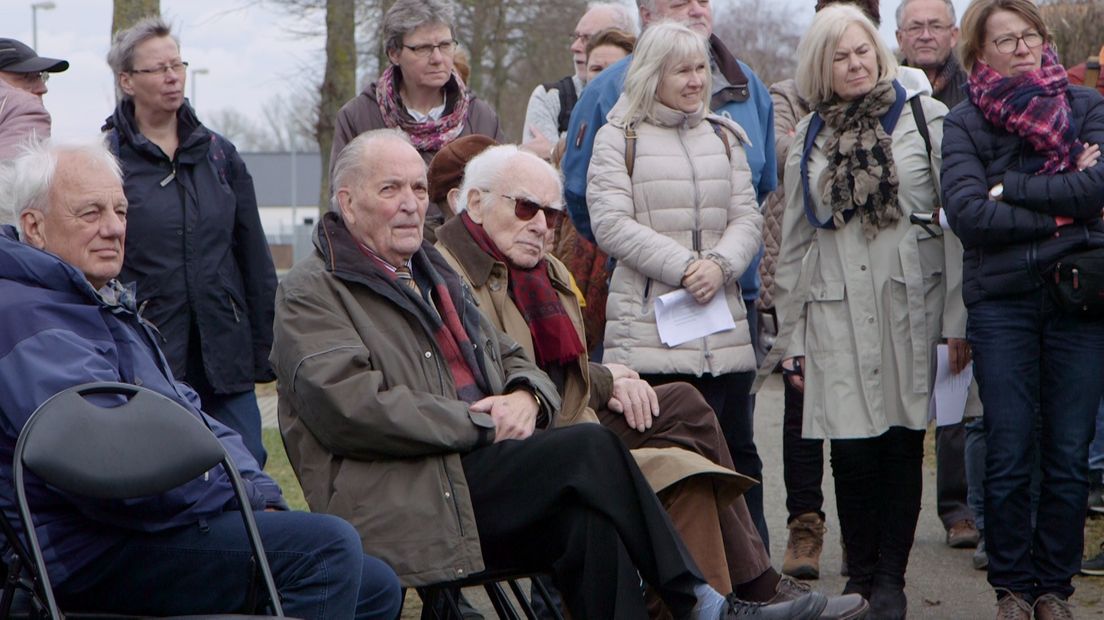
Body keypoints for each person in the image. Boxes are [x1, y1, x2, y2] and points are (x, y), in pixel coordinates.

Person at [270, 128, 832, 620]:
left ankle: (710, 602)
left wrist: (523, 396)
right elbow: (350, 407)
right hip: (408, 493)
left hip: (475, 470)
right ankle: (697, 601)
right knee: (586, 448)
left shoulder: (431, 269)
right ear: (347, 201)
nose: (411, 204)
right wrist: (479, 422)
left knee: (590, 523)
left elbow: (514, 358)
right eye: (390, 189)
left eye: (418, 189)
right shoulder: (311, 291)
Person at [435, 143, 870, 620]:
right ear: (474, 203)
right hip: (533, 441)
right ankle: (735, 601)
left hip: (567, 414)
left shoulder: (546, 268)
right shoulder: (448, 276)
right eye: (526, 208)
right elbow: (504, 376)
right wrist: (602, 382)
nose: (541, 224)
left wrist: (608, 379)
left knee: (682, 404)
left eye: (553, 215)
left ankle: (752, 588)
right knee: (682, 470)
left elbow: (557, 365)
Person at [0, 140, 401, 620]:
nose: (113, 228)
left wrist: (259, 491)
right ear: (35, 227)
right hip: (86, 552)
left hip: (149, 527)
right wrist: (241, 497)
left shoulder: (101, 301)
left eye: (120, 210)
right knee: (324, 551)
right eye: (90, 213)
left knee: (375, 585)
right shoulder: (24, 316)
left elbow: (191, 417)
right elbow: (110, 470)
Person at [770, 5, 965, 617]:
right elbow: (796, 242)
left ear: (879, 52)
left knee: (902, 445)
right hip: (834, 310)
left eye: (862, 51)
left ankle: (891, 583)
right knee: (850, 450)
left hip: (912, 303)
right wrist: (789, 335)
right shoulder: (807, 137)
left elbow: (956, 228)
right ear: (820, 67)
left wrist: (958, 322)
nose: (854, 64)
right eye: (840, 56)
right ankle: (858, 580)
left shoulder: (925, 117)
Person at [563, 0, 776, 547]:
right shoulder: (619, 136)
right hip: (650, 333)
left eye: (701, 69)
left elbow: (749, 214)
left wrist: (722, 265)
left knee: (734, 454)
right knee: (668, 467)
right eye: (682, 70)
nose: (696, 80)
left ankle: (750, 580)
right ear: (653, 74)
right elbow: (608, 222)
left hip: (722, 328)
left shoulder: (726, 136)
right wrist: (686, 268)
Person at [941, 0, 1104, 616]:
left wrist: (1013, 189)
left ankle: (1054, 590)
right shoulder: (964, 123)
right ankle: (1011, 586)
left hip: (1080, 301)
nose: (1020, 48)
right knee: (1008, 448)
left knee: (1067, 453)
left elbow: (1100, 187)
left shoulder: (1087, 106)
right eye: (1004, 40)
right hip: (1003, 304)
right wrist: (1068, 211)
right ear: (979, 54)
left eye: (1028, 36)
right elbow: (970, 215)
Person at [101, 17, 275, 467]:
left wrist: (264, 350)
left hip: (225, 353)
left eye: (177, 64)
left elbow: (253, 256)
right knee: (168, 472)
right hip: (150, 355)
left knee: (247, 466)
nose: (172, 76)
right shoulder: (107, 161)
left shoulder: (219, 154)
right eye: (158, 68)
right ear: (127, 81)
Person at [759, 0, 881, 582]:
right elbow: (781, 149)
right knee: (801, 401)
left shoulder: (899, 95)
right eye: (834, 40)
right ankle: (804, 524)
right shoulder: (788, 96)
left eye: (858, 39)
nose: (851, 56)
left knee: (861, 412)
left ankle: (872, 544)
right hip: (799, 263)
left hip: (870, 278)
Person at [895, 0, 981, 555]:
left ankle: (957, 508)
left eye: (935, 25)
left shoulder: (974, 96)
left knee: (955, 384)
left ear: (954, 32)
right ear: (898, 34)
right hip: (902, 268)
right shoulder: (887, 94)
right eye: (914, 27)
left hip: (959, 254)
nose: (925, 35)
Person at [330, 0, 502, 241]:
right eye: (422, 48)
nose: (437, 58)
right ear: (394, 53)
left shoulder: (482, 118)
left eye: (445, 45)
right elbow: (343, 207)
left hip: (464, 266)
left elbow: (501, 203)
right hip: (384, 263)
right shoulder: (358, 117)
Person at [520, 2, 637, 161]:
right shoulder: (550, 97)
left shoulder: (645, 100)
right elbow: (541, 172)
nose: (575, 47)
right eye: (576, 37)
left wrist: (556, 151)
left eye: (589, 38)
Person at [0, 37, 67, 158]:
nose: (43, 88)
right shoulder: (25, 111)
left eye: (40, 76)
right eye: (26, 77)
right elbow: (15, 175)